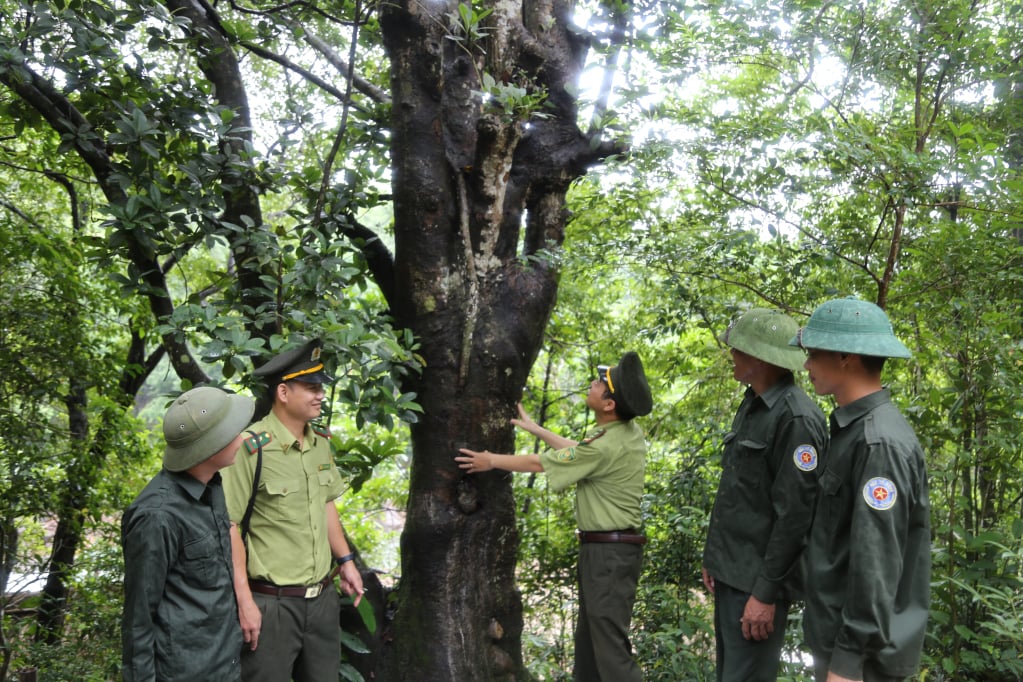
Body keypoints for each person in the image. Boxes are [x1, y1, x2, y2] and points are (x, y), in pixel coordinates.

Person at [456, 351, 653, 682]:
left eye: (601, 383)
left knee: (611, 651)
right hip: (609, 552)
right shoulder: (622, 433)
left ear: (608, 405)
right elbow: (578, 452)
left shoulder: (606, 445)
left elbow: (542, 463)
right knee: (590, 646)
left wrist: (491, 460)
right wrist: (537, 429)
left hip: (609, 556)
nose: (593, 382)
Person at [791, 297, 930, 682]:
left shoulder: (878, 443)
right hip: (842, 647)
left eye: (814, 353)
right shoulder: (854, 431)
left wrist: (848, 662)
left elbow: (876, 563)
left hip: (863, 664)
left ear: (845, 357)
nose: (806, 365)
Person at [221, 338, 364, 682]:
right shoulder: (251, 448)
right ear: (283, 393)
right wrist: (244, 601)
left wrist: (346, 561)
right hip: (271, 604)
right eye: (311, 387)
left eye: (321, 387)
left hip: (321, 601)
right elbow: (229, 525)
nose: (320, 395)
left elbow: (326, 502)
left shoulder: (320, 443)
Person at [702, 308, 828, 681]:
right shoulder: (753, 404)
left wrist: (765, 594)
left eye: (739, 349)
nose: (732, 356)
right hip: (732, 573)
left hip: (756, 584)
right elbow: (739, 492)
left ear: (761, 358)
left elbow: (795, 516)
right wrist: (715, 558)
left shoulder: (797, 419)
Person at [121, 385, 255, 681]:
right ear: (211, 446)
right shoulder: (157, 516)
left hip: (224, 664)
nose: (242, 437)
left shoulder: (212, 486)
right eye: (233, 432)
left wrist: (244, 600)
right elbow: (138, 620)